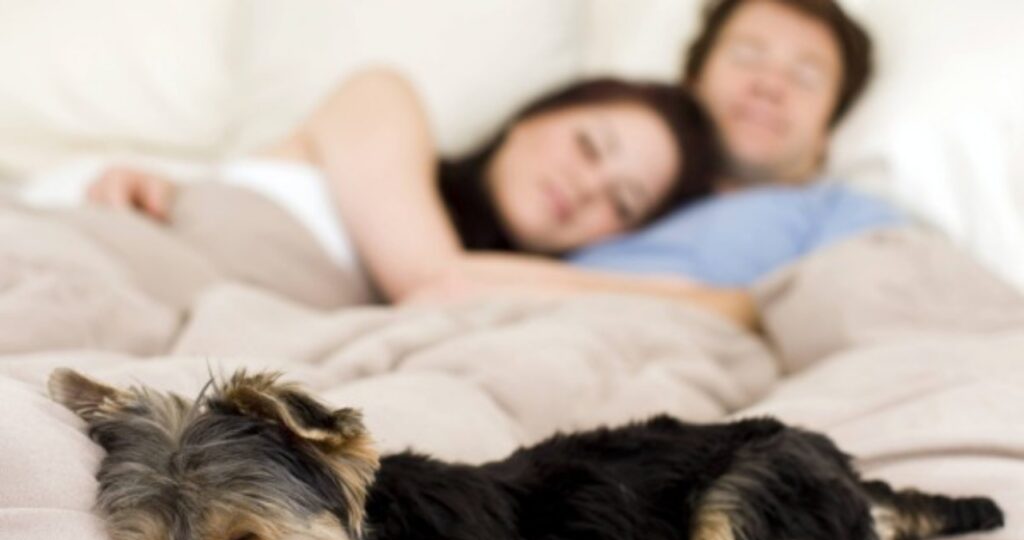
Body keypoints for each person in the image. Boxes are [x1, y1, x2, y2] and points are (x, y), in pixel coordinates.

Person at [87, 74, 759, 330]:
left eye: (623, 201)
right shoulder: (387, 100)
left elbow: (446, 288)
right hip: (103, 261)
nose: (587, 188)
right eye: (589, 146)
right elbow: (437, 279)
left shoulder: (490, 303)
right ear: (533, 117)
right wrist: (699, 299)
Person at [570, 0, 906, 286]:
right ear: (692, 81)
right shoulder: (614, 185)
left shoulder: (851, 218)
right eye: (747, 56)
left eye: (805, 78)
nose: (771, 85)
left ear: (827, 132)